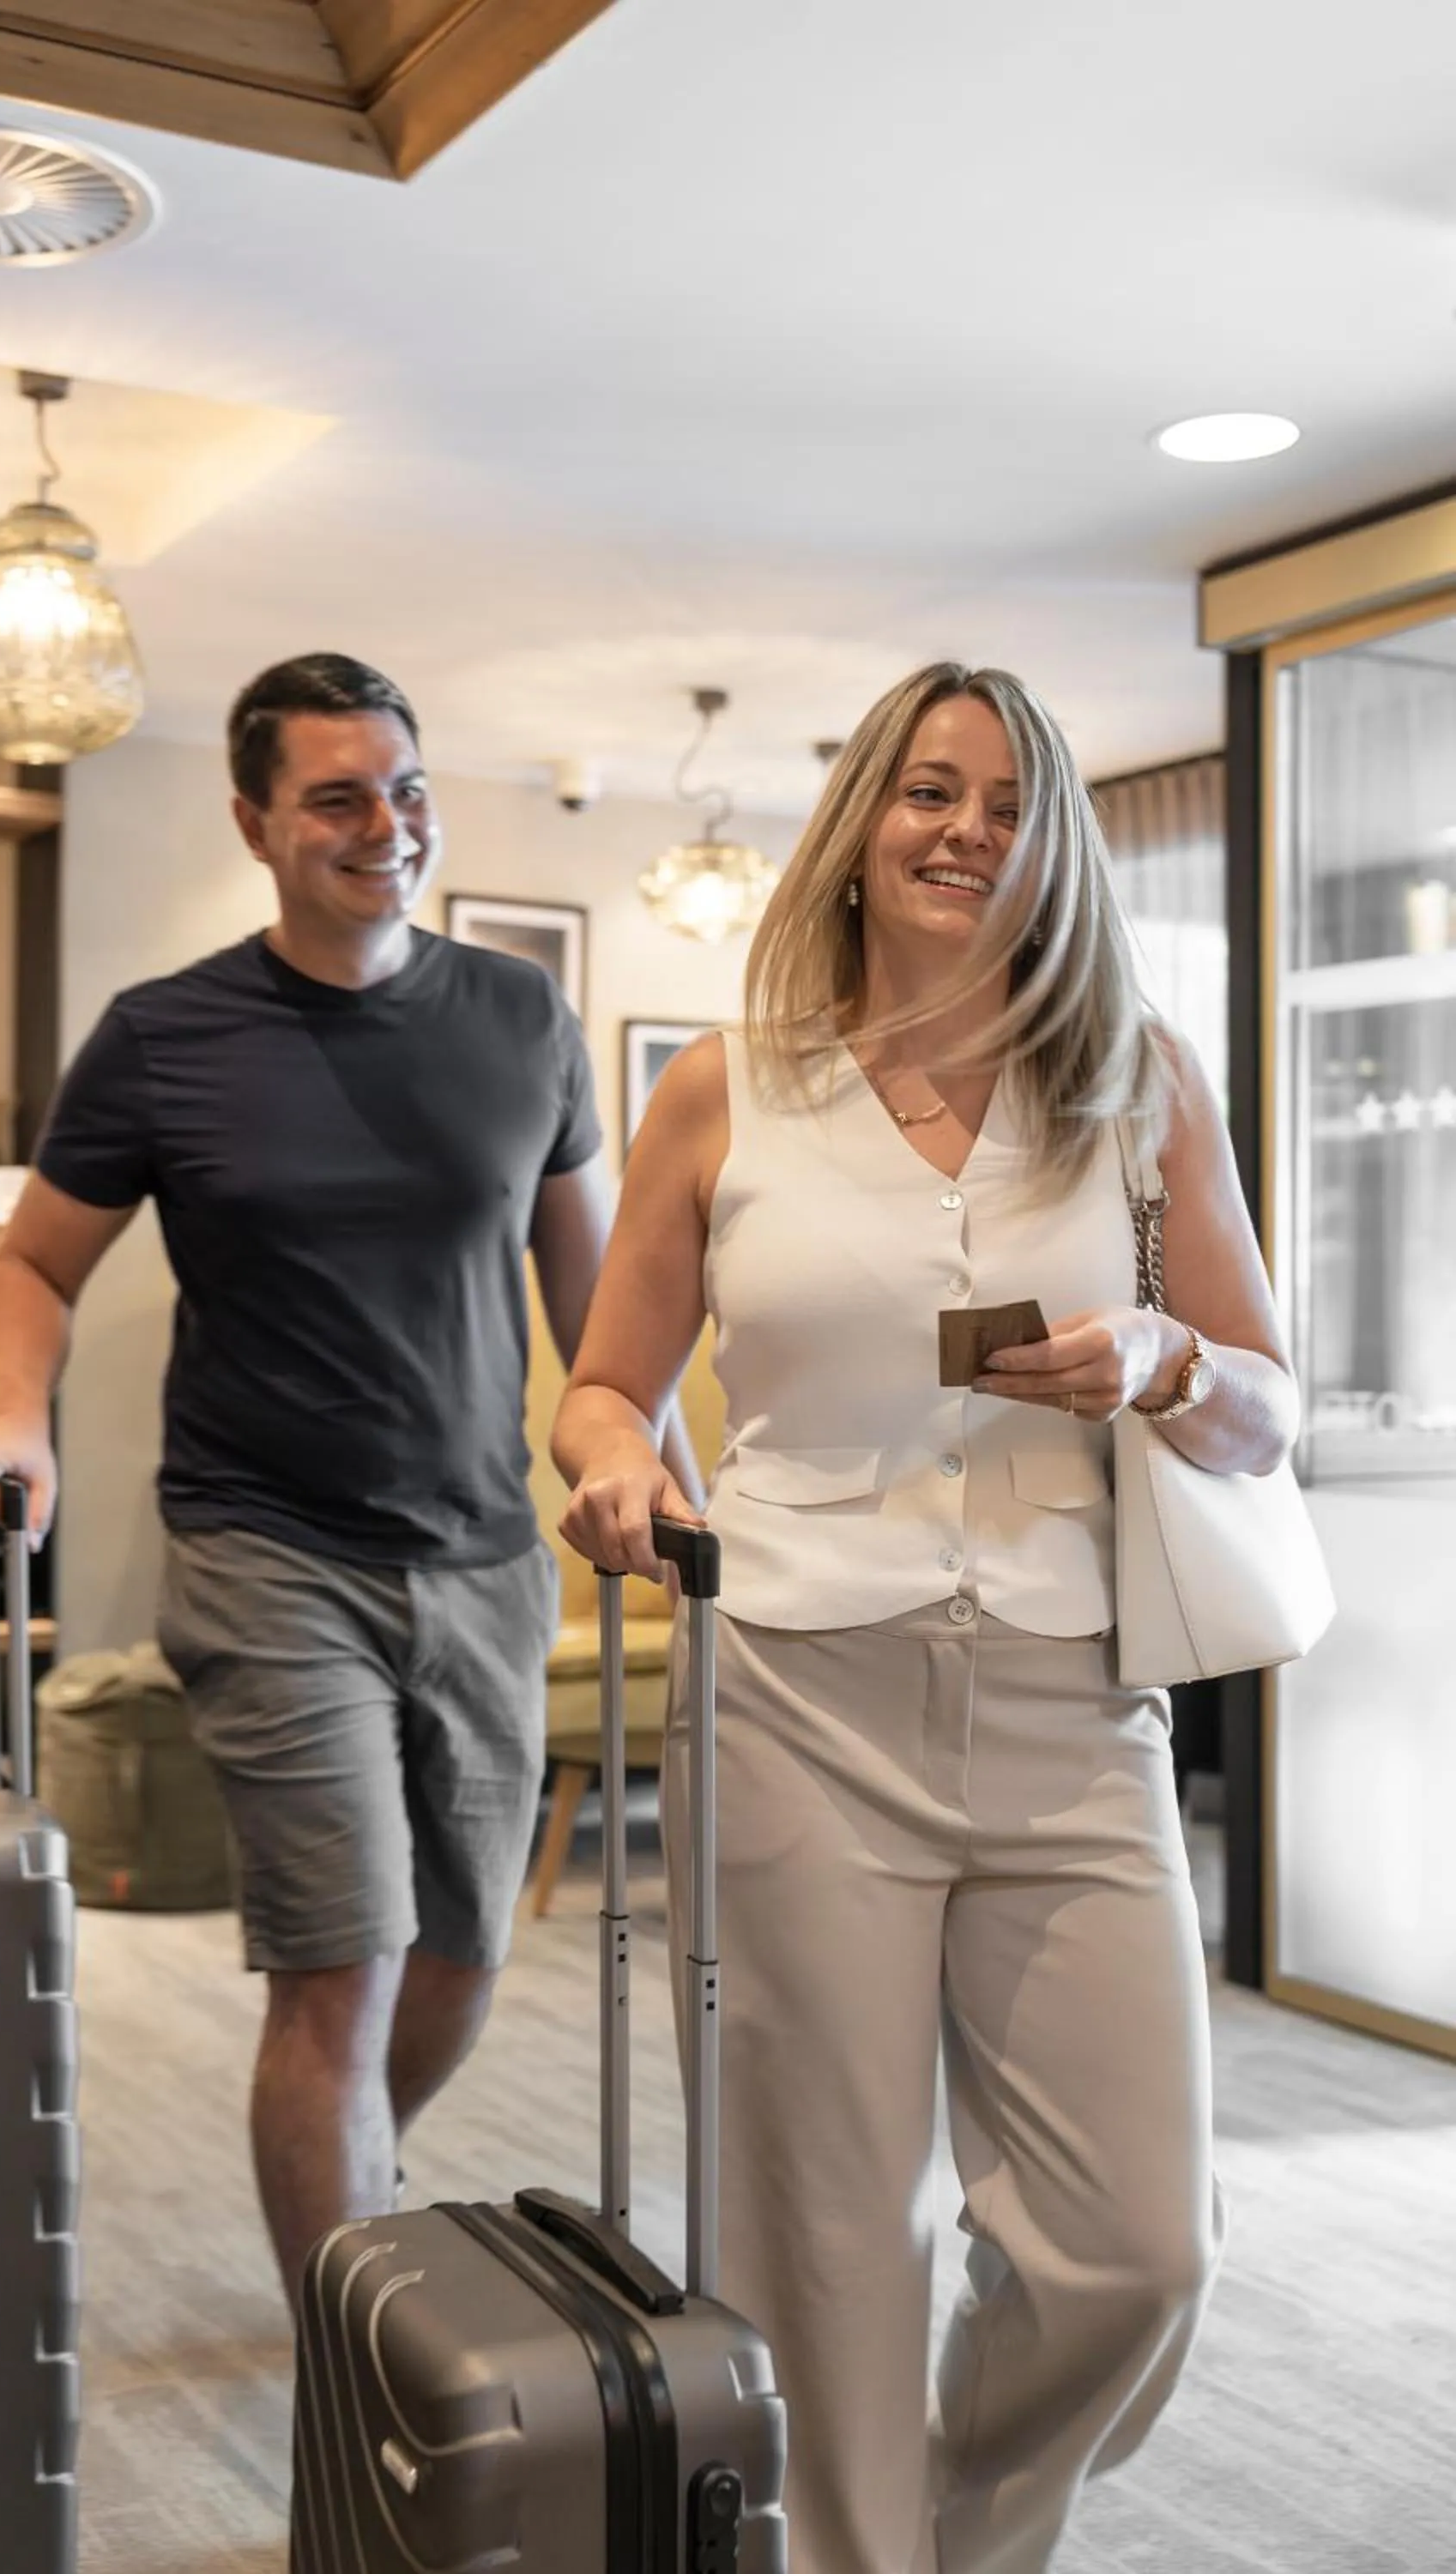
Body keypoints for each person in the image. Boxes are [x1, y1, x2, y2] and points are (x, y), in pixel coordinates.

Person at [553, 662, 1297, 2573]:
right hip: (799, 1699)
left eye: (1006, 801)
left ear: (1053, 848)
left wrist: (1154, 1355)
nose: (965, 829)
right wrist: (617, 1466)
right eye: (927, 792)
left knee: (1136, 2245)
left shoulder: (1135, 1077)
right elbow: (605, 1380)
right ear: (859, 829)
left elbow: (1267, 1397)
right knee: (825, 2233)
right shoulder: (727, 1088)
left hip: (1073, 1711)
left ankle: (963, 2532)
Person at [0, 650, 700, 2305]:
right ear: (257, 822)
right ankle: (355, 2369)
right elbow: (32, 1269)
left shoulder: (520, 1017)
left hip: (485, 1554)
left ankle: (351, 2167)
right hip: (265, 1551)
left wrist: (652, 1451)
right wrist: (15, 1417)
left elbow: (598, 1305)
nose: (385, 825)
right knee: (337, 1973)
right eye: (339, 797)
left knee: (462, 1960)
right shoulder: (165, 1037)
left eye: (406, 789)